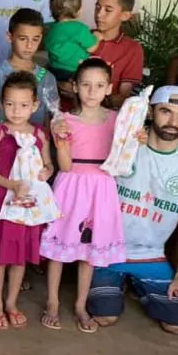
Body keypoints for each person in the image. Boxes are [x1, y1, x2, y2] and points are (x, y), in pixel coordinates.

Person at [88, 86, 178, 335]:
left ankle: (137, 284)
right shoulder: (126, 142)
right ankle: (121, 283)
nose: (173, 121)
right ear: (150, 111)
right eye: (165, 111)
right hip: (107, 249)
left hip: (152, 254)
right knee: (105, 316)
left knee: (176, 325)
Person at [40, 58, 126, 334]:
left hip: (102, 187)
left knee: (89, 248)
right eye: (86, 85)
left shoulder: (117, 120)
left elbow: (125, 160)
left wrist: (136, 139)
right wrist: (61, 141)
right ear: (75, 86)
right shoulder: (63, 120)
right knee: (59, 245)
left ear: (109, 88)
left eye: (99, 85)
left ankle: (80, 304)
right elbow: (65, 165)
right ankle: (52, 302)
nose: (92, 91)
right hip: (71, 184)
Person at [0, 71, 53, 329]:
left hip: (29, 203)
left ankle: (11, 302)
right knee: (0, 255)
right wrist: (10, 185)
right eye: (10, 104)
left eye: (23, 105)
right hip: (3, 199)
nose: (16, 110)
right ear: (1, 104)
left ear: (35, 105)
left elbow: (49, 164)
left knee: (19, 256)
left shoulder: (40, 135)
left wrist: (47, 172)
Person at [0, 8, 58, 126]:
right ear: (9, 37)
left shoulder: (47, 78)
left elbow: (49, 120)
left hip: (34, 138)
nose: (29, 45)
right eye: (23, 39)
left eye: (35, 39)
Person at [91, 0, 144, 109]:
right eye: (97, 7)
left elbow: (123, 97)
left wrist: (85, 96)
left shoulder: (132, 49)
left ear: (125, 15)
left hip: (107, 115)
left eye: (108, 10)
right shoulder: (81, 38)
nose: (99, 14)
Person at [45, 0, 103, 82]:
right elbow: (91, 48)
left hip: (53, 69)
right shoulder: (79, 28)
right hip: (74, 71)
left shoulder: (51, 28)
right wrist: (97, 37)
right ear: (78, 11)